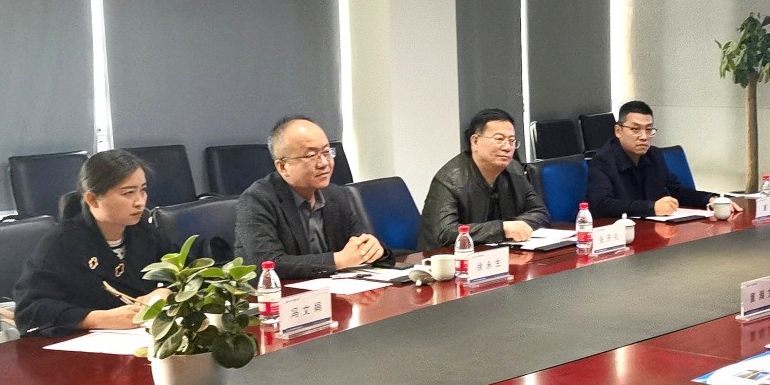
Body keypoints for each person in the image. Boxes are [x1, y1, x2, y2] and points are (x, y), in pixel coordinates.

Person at [14, 149, 175, 336]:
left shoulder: (145, 232)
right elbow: (30, 311)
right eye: (129, 193)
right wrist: (95, 318)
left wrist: (165, 293)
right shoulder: (62, 242)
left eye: (143, 190)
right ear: (92, 199)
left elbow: (185, 273)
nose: (140, 202)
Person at [234, 116, 385, 279]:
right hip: (280, 293)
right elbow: (269, 264)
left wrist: (374, 249)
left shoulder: (338, 195)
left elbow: (360, 244)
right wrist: (337, 261)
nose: (324, 163)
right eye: (311, 155)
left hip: (335, 289)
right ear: (283, 167)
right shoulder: (257, 200)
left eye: (326, 152)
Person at [417, 108, 550, 250]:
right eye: (499, 139)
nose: (507, 147)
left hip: (497, 254)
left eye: (511, 141)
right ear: (475, 141)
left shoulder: (514, 170)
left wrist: (514, 226)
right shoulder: (450, 180)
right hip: (448, 258)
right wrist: (502, 229)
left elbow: (541, 213)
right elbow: (444, 233)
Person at [587, 100, 731, 219]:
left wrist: (710, 199)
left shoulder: (654, 155)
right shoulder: (602, 161)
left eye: (648, 129)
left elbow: (675, 190)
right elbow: (601, 205)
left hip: (653, 229)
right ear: (618, 131)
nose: (644, 137)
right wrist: (652, 208)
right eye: (635, 129)